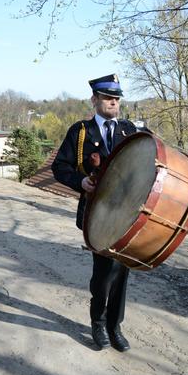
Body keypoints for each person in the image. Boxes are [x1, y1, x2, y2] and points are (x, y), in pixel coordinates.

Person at [52, 74, 138, 352]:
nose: (114, 102)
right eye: (108, 97)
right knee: (103, 274)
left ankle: (115, 326)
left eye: (117, 98)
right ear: (95, 100)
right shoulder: (80, 133)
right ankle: (98, 323)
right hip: (96, 213)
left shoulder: (129, 129)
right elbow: (60, 167)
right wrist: (80, 182)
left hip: (127, 213)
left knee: (122, 271)